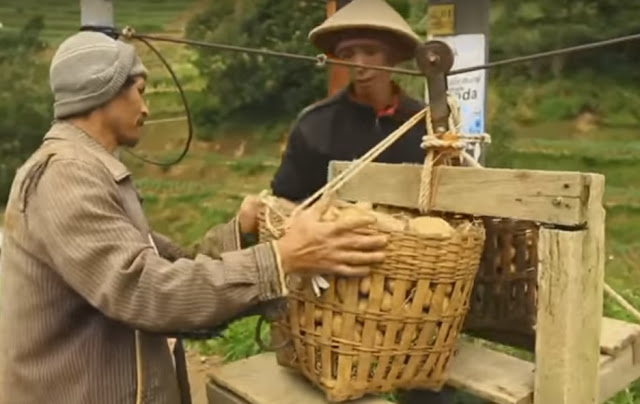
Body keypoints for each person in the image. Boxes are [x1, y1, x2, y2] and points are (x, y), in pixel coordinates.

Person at [0, 31, 389, 404]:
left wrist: (243, 230)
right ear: (106, 90)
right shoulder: (66, 176)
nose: (147, 108)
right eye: (140, 91)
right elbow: (146, 291)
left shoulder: (90, 172)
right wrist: (281, 259)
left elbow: (173, 265)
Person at [271, 1, 455, 403]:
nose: (361, 63)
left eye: (370, 52)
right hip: (337, 290)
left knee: (425, 384)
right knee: (338, 384)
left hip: (413, 288)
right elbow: (285, 200)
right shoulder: (315, 125)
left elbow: (451, 201)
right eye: (350, 53)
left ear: (392, 57)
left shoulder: (427, 124)